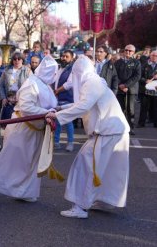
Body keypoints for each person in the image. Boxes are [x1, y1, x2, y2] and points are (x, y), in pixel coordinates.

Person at [45, 55, 130, 219]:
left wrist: (58, 116)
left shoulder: (92, 83)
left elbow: (83, 105)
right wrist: (59, 107)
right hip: (112, 132)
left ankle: (80, 206)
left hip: (106, 132)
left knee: (85, 167)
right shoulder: (94, 82)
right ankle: (100, 200)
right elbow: (82, 103)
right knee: (106, 170)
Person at [0, 56, 58, 205]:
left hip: (35, 130)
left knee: (29, 163)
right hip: (22, 130)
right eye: (53, 72)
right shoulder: (32, 84)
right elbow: (26, 107)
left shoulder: (44, 85)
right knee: (8, 160)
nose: (55, 76)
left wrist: (53, 111)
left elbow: (49, 105)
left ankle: (25, 191)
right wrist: (47, 112)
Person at [115, 44, 141, 135]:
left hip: (131, 90)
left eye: (130, 51)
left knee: (130, 110)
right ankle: (120, 127)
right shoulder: (118, 62)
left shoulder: (136, 62)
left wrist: (126, 85)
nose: (128, 52)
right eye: (126, 50)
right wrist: (120, 85)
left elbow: (137, 76)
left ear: (133, 52)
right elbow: (115, 75)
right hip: (119, 89)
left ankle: (130, 127)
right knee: (120, 109)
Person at [53, 50, 75, 152]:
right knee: (57, 121)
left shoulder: (73, 69)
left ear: (71, 58)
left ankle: (70, 143)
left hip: (67, 98)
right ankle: (56, 142)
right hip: (57, 98)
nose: (64, 58)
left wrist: (57, 90)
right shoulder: (59, 67)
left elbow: (69, 84)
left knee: (68, 122)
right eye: (63, 56)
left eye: (66, 56)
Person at [138, 50, 157, 128]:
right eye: (153, 55)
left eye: (156, 56)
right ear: (150, 56)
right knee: (144, 107)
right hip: (145, 90)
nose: (154, 57)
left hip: (155, 90)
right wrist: (145, 80)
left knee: (156, 107)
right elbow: (139, 76)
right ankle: (141, 123)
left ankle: (156, 123)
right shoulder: (144, 65)